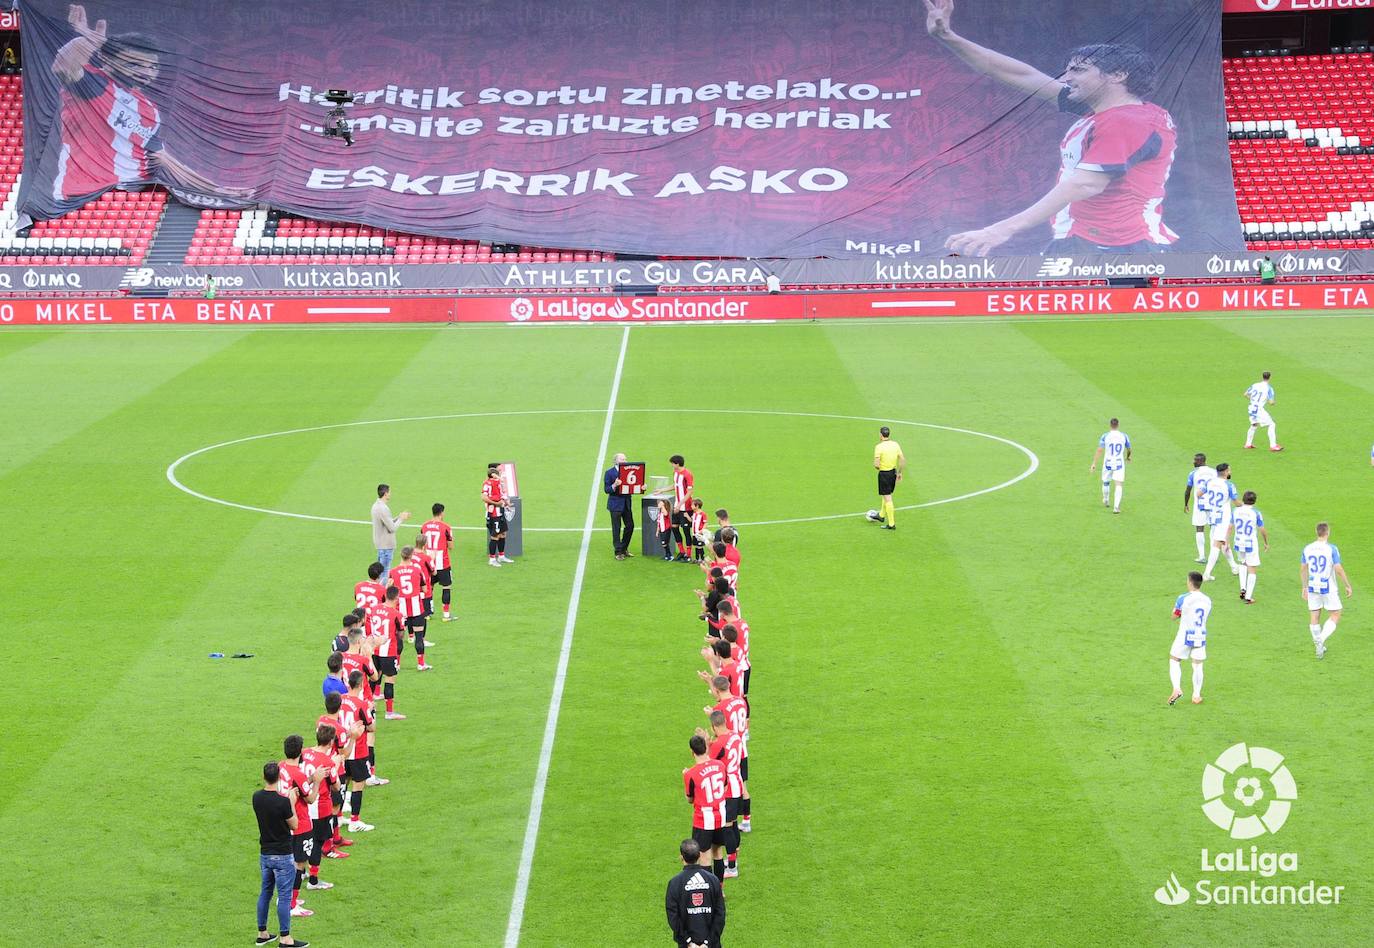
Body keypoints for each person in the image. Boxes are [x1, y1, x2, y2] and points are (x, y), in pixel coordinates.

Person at [926, 0, 1176, 256]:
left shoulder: (1128, 121)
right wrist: (949, 37)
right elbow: (1023, 76)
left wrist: (1000, 230)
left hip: (1120, 250)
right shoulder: (1109, 111)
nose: (1067, 78)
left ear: (1117, 76)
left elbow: (1085, 185)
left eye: (1078, 70)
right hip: (1083, 242)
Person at [50, 5, 250, 203]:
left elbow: (161, 158)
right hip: (82, 196)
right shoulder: (94, 82)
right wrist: (86, 39)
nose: (146, 73)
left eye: (152, 66)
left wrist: (216, 189)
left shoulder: (148, 109)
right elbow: (63, 66)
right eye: (134, 64)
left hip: (129, 197)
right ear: (106, 61)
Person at [253, 762, 308, 947]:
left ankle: (262, 933)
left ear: (263, 777)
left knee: (265, 892)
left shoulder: (256, 798)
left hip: (265, 854)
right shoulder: (283, 802)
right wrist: (291, 801)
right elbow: (294, 825)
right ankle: (285, 938)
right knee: (284, 896)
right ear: (279, 778)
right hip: (283, 855)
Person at [277, 735, 323, 918]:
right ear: (300, 752)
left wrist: (310, 779)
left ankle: (284, 898)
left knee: (287, 863)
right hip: (301, 824)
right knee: (299, 864)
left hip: (285, 822)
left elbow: (300, 786)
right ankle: (292, 904)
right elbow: (310, 798)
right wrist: (317, 780)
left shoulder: (281, 766)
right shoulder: (297, 773)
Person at [699, 709, 745, 878]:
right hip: (737, 783)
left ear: (713, 726)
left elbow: (707, 761)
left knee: (727, 828)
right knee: (732, 825)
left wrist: (706, 743)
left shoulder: (719, 743)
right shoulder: (734, 736)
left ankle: (732, 867)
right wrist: (710, 742)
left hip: (728, 790)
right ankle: (733, 860)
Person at [1302, 522, 1354, 660]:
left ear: (1317, 532)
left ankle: (1319, 647)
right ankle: (1321, 639)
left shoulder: (1307, 548)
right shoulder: (1331, 549)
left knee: (1314, 615)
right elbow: (1338, 568)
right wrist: (1347, 585)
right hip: (1328, 586)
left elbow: (1303, 568)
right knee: (1336, 614)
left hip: (1313, 585)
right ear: (1327, 533)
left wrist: (1304, 586)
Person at [682, 734, 730, 882]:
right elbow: (725, 786)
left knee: (704, 856)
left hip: (703, 820)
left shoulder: (690, 773)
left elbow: (690, 799)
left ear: (692, 752)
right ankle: (720, 890)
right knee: (718, 852)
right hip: (720, 816)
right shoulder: (720, 766)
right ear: (706, 747)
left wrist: (685, 776)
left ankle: (709, 891)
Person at [706, 676, 751, 833]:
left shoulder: (721, 708)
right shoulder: (740, 701)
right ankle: (746, 820)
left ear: (717, 690)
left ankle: (732, 823)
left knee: (732, 785)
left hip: (729, 748)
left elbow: (720, 727)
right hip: (741, 747)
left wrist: (712, 714)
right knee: (742, 784)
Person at [664, 838, 726, 948]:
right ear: (699, 856)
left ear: (681, 857)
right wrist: (708, 942)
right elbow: (720, 914)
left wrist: (689, 942)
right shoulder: (713, 880)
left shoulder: (674, 883)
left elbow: (673, 917)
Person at [301, 725, 345, 873]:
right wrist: (337, 764)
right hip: (320, 807)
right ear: (331, 742)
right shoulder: (327, 761)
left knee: (304, 839)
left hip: (303, 804)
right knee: (317, 843)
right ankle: (313, 880)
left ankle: (302, 872)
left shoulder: (304, 752)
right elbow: (336, 787)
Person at [339, 671, 376, 831]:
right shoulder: (361, 704)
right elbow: (371, 727)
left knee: (342, 784)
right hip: (357, 750)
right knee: (358, 785)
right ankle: (354, 821)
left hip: (341, 750)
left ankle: (339, 817)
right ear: (361, 685)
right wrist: (371, 711)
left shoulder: (340, 700)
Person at [1169, 571, 1211, 706]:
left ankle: (1177, 688)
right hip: (1200, 634)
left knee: (1175, 659)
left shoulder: (1183, 598)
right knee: (1198, 664)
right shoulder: (1207, 600)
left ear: (1189, 582)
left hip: (1185, 634)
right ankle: (1196, 696)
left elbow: (1174, 616)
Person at [390, 547, 431, 671]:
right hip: (417, 609)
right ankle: (421, 663)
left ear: (401, 556)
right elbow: (425, 589)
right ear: (411, 556)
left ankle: (397, 664)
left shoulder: (393, 571)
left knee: (399, 637)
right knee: (419, 637)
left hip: (400, 611)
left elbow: (390, 590)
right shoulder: (417, 570)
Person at [1201, 463, 1239, 582]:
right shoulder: (1229, 485)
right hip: (1224, 518)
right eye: (1230, 470)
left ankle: (1234, 567)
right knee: (1217, 544)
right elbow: (1237, 503)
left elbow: (1199, 494)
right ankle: (1206, 573)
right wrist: (1246, 506)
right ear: (1226, 472)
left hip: (1213, 516)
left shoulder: (1210, 482)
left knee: (1223, 542)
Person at [371, 586, 405, 719]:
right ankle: (389, 712)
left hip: (374, 650)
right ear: (396, 597)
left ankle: (370, 709)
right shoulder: (396, 614)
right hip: (389, 651)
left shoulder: (375, 609)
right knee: (389, 680)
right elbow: (401, 634)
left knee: (373, 679)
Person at [1230, 491, 1268, 605]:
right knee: (1252, 569)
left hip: (1238, 542)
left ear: (1243, 499)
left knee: (1242, 563)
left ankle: (1242, 588)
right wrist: (1266, 542)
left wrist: (1226, 541)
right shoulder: (1255, 513)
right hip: (1250, 543)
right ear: (1254, 501)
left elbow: (1230, 527)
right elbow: (1262, 529)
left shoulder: (1236, 511)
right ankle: (1248, 596)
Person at [419, 503, 456, 621]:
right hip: (443, 563)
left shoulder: (424, 526)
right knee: (446, 587)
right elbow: (451, 546)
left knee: (429, 587)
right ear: (442, 513)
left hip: (428, 563)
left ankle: (427, 613)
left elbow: (421, 544)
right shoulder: (446, 527)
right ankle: (446, 615)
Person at [1089, 418, 1131, 513]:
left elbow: (1100, 450)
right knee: (1118, 484)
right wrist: (1128, 457)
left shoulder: (1105, 436)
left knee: (1106, 482)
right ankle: (1116, 507)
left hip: (1108, 462)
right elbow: (1129, 449)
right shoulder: (1124, 436)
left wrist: (1094, 463)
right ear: (1118, 425)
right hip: (1119, 463)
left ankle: (1106, 500)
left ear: (1110, 425)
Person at [370, 486, 410, 584]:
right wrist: (401, 519)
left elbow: (387, 522)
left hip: (381, 544)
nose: (390, 494)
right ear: (386, 493)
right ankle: (382, 596)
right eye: (389, 492)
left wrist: (398, 517)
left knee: (381, 572)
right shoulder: (383, 508)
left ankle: (380, 594)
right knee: (384, 573)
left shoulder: (376, 505)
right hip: (386, 545)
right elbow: (392, 528)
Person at [1183, 453, 1217, 564]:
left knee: (1199, 529)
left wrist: (1186, 504)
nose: (1193, 462)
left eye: (1195, 460)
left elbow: (1188, 490)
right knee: (1213, 528)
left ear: (1200, 461)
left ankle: (1202, 556)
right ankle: (1213, 555)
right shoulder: (1214, 472)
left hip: (1200, 505)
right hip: (1213, 504)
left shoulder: (1193, 473)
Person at [869, 426, 905, 529]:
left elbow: (876, 464)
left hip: (884, 474)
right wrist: (899, 473)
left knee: (888, 498)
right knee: (886, 494)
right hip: (893, 473)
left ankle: (891, 524)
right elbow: (902, 460)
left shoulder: (879, 447)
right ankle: (881, 515)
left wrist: (877, 466)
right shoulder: (895, 444)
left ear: (881, 435)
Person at [482, 465, 515, 566]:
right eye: (498, 473)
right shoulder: (487, 483)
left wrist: (507, 504)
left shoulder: (499, 483)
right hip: (493, 513)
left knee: (503, 533)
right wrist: (496, 504)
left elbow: (502, 495)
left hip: (501, 511)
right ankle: (492, 559)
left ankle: (501, 556)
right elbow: (484, 497)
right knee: (495, 536)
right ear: (493, 475)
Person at [604, 452, 636, 560]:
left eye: (625, 459)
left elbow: (633, 485)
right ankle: (618, 552)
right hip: (615, 505)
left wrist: (642, 488)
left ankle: (623, 548)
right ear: (616, 461)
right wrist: (614, 485)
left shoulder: (630, 472)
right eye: (622, 459)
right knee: (616, 528)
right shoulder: (609, 473)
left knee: (630, 526)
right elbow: (606, 489)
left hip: (626, 504)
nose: (625, 461)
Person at [1244, 371, 1282, 452]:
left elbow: (1245, 394)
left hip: (1251, 407)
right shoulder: (1269, 388)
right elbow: (1271, 402)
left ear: (1262, 377)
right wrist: (1272, 402)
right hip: (1259, 409)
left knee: (1254, 425)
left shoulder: (1255, 385)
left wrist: (1254, 400)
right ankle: (1273, 446)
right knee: (1272, 424)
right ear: (1270, 377)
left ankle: (1248, 444)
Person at [670, 455, 696, 562]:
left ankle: (688, 555)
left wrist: (680, 505)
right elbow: (675, 486)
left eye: (672, 463)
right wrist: (661, 490)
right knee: (674, 528)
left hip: (686, 507)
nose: (671, 465)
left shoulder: (687, 474)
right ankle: (682, 552)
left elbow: (690, 492)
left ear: (677, 463)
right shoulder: (675, 473)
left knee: (686, 530)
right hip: (677, 505)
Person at [689, 499, 709, 563]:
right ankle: (697, 559)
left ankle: (702, 559)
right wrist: (687, 516)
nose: (691, 506)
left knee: (700, 546)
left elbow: (706, 523)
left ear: (697, 506)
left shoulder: (703, 514)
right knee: (696, 546)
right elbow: (693, 521)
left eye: (692, 505)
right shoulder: (694, 513)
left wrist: (702, 530)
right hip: (694, 533)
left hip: (699, 533)